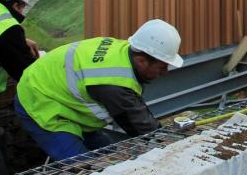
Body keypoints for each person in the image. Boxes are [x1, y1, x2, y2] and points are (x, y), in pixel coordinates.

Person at [15, 19, 182, 161]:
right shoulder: (114, 83)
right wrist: (173, 147)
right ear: (141, 61)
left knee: (107, 155)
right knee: (82, 166)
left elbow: (136, 110)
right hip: (40, 101)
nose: (165, 72)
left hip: (60, 95)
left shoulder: (126, 51)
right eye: (162, 67)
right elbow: (142, 127)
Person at [0, 0, 39, 175]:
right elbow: (28, 74)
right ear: (17, 4)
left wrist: (20, 40)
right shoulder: (8, 28)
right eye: (22, 9)